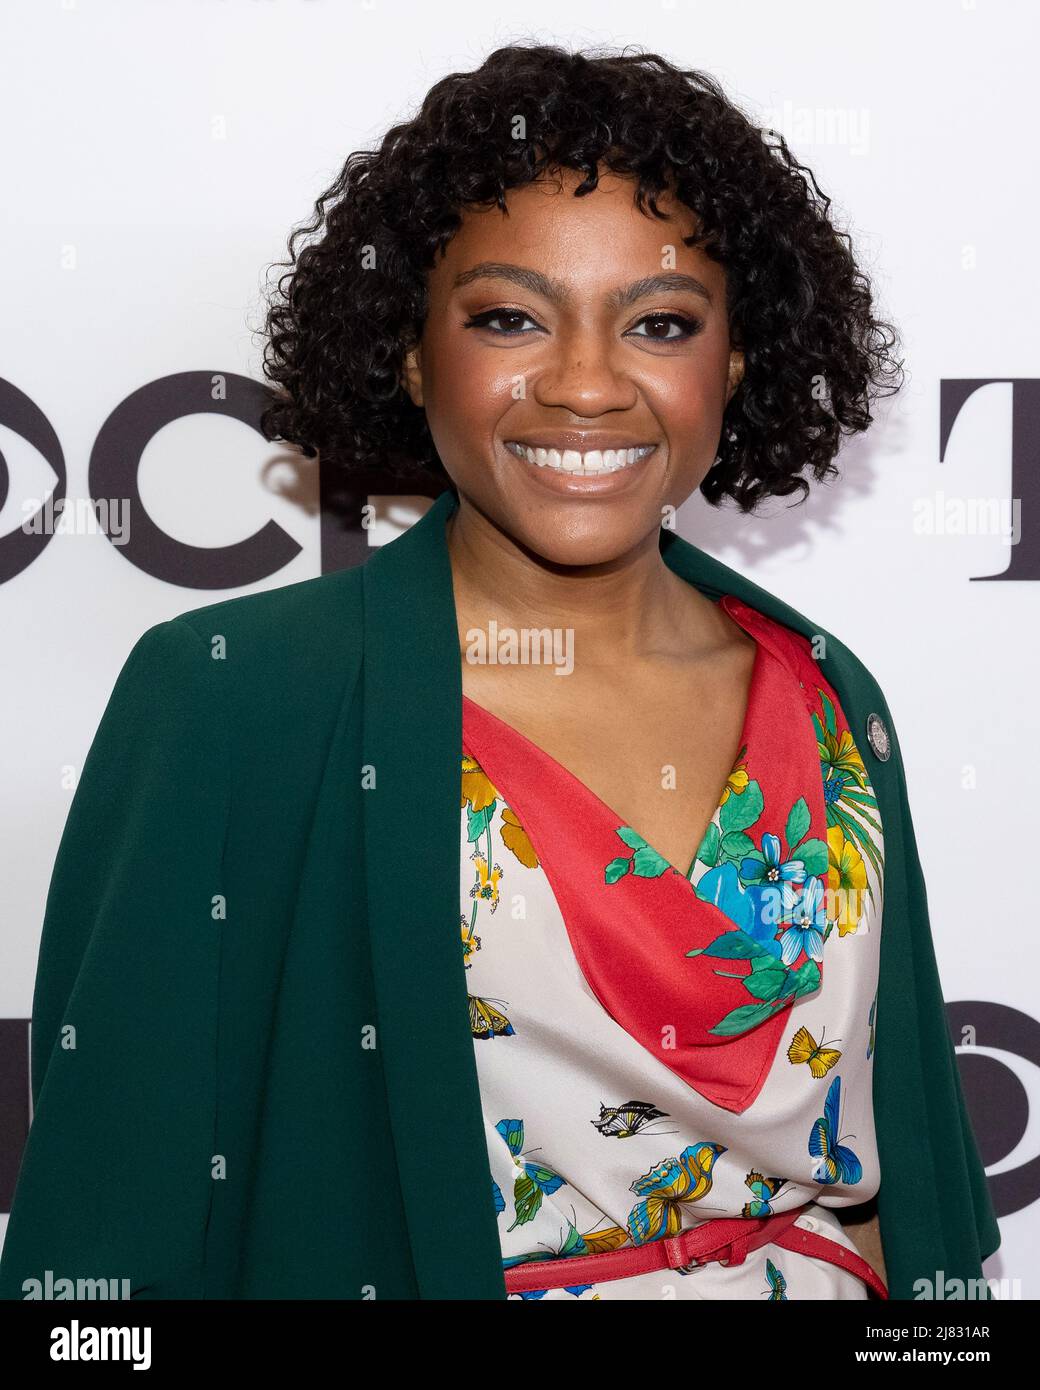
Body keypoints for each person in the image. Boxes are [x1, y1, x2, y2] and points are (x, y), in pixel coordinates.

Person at [0, 43, 998, 1301]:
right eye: (509, 317)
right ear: (410, 352)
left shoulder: (824, 691)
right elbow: (105, 1247)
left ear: (733, 363)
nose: (584, 385)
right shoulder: (238, 695)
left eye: (660, 323)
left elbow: (905, 1190)